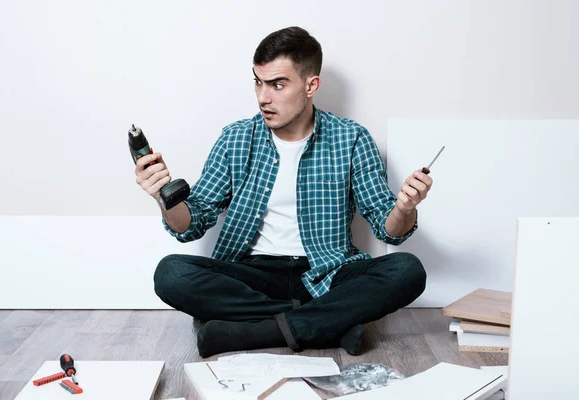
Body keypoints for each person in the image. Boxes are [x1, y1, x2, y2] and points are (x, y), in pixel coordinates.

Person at [134, 26, 431, 358]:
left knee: (407, 269)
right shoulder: (236, 139)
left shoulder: (351, 139)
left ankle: (255, 331)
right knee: (170, 273)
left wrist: (405, 208)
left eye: (277, 84)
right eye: (258, 82)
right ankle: (327, 323)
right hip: (252, 274)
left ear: (310, 85)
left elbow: (387, 227)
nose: (263, 97)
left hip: (327, 273)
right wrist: (163, 197)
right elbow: (191, 223)